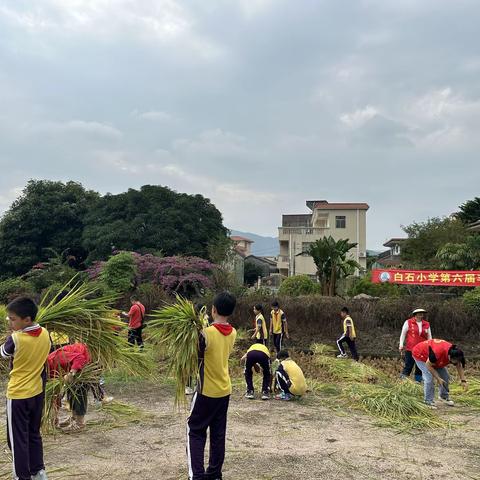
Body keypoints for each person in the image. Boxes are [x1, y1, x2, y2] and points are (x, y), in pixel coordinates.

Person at [187, 292, 237, 480]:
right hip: (224, 390)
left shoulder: (205, 334)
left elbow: (194, 355)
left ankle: (197, 476)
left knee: (195, 431)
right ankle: (215, 473)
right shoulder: (233, 332)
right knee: (218, 433)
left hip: (206, 390)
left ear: (213, 309)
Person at [0, 297, 51, 480]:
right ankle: (38, 471)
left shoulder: (16, 338)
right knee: (33, 433)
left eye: (13, 319)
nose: (10, 322)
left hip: (18, 395)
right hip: (37, 392)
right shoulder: (45, 333)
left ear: (27, 319)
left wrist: (10, 336)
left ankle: (22, 476)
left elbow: (3, 353)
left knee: (17, 440)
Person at [48, 342, 91, 432]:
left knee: (78, 389)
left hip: (86, 358)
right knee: (70, 389)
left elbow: (80, 358)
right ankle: (74, 418)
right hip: (76, 363)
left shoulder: (55, 359)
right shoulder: (49, 373)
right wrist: (54, 416)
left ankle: (80, 423)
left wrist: (71, 373)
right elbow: (55, 394)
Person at [412, 339, 468, 408]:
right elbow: (428, 365)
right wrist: (438, 378)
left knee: (445, 376)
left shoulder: (456, 353)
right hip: (421, 355)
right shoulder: (437, 353)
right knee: (429, 377)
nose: (455, 363)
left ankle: (443, 396)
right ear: (449, 356)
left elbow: (459, 365)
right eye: (454, 361)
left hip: (435, 358)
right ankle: (427, 401)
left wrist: (463, 381)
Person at [399, 308, 432, 382]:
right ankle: (402, 382)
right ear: (415, 314)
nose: (421, 314)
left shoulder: (426, 324)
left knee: (420, 367)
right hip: (411, 348)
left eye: (422, 313)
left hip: (422, 349)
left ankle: (418, 382)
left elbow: (429, 336)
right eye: (419, 313)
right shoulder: (408, 322)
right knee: (408, 365)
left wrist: (430, 347)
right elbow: (403, 334)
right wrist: (401, 345)